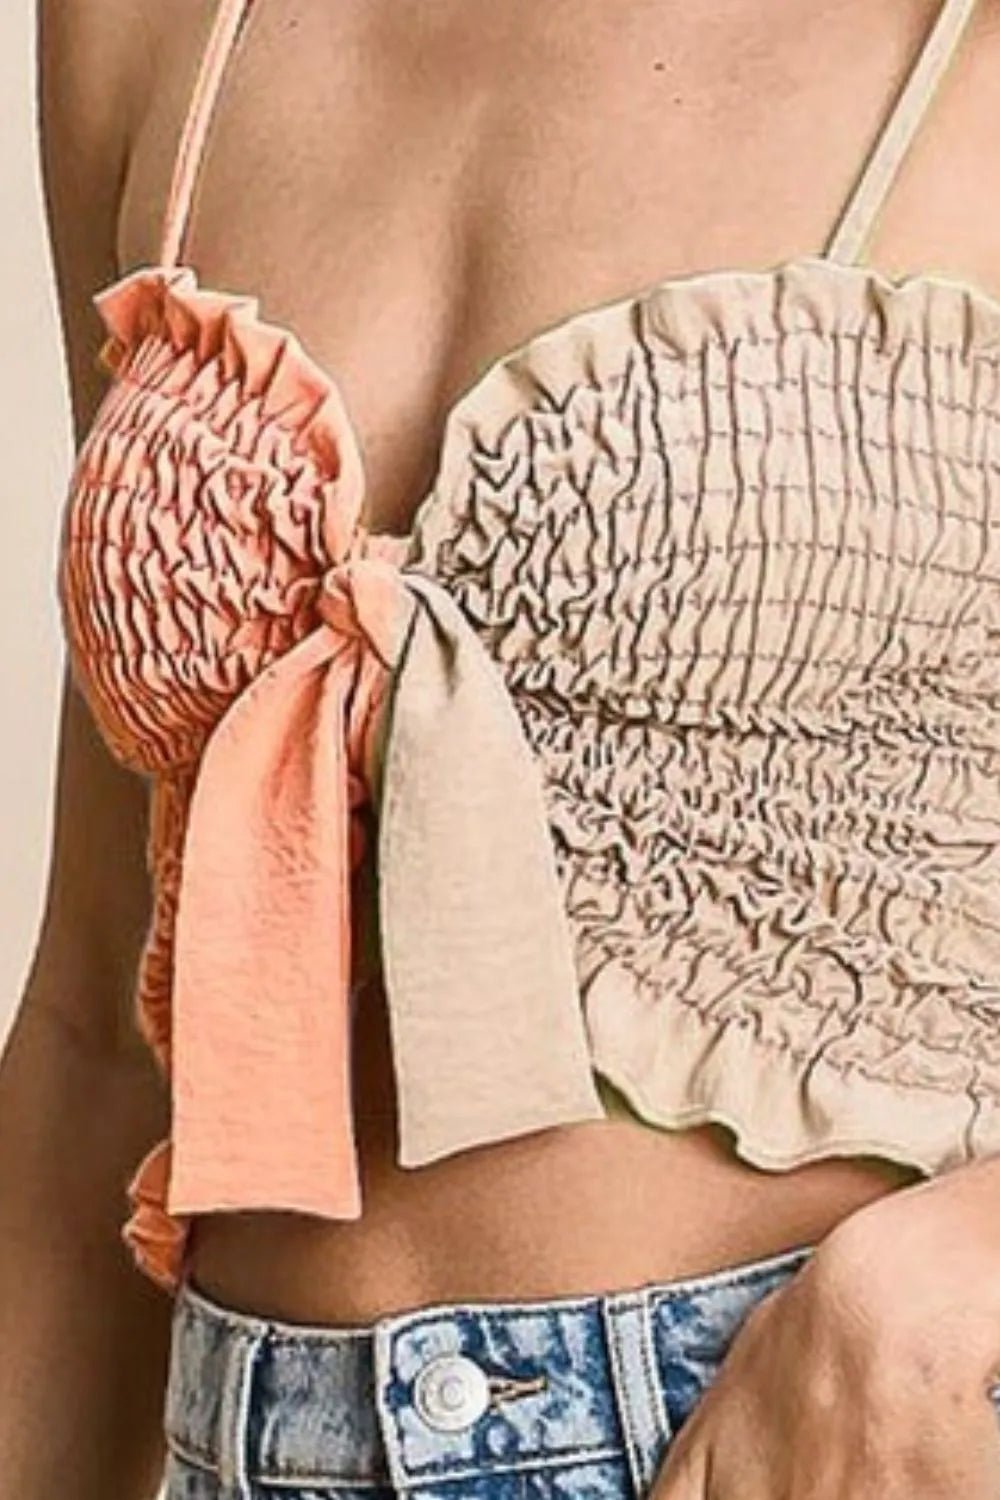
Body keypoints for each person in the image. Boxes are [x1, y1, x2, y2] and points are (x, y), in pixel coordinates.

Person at [4, 0, 1000, 1495]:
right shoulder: (155, 25)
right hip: (244, 1440)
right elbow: (97, 1035)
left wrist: (958, 1271)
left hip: (798, 1433)